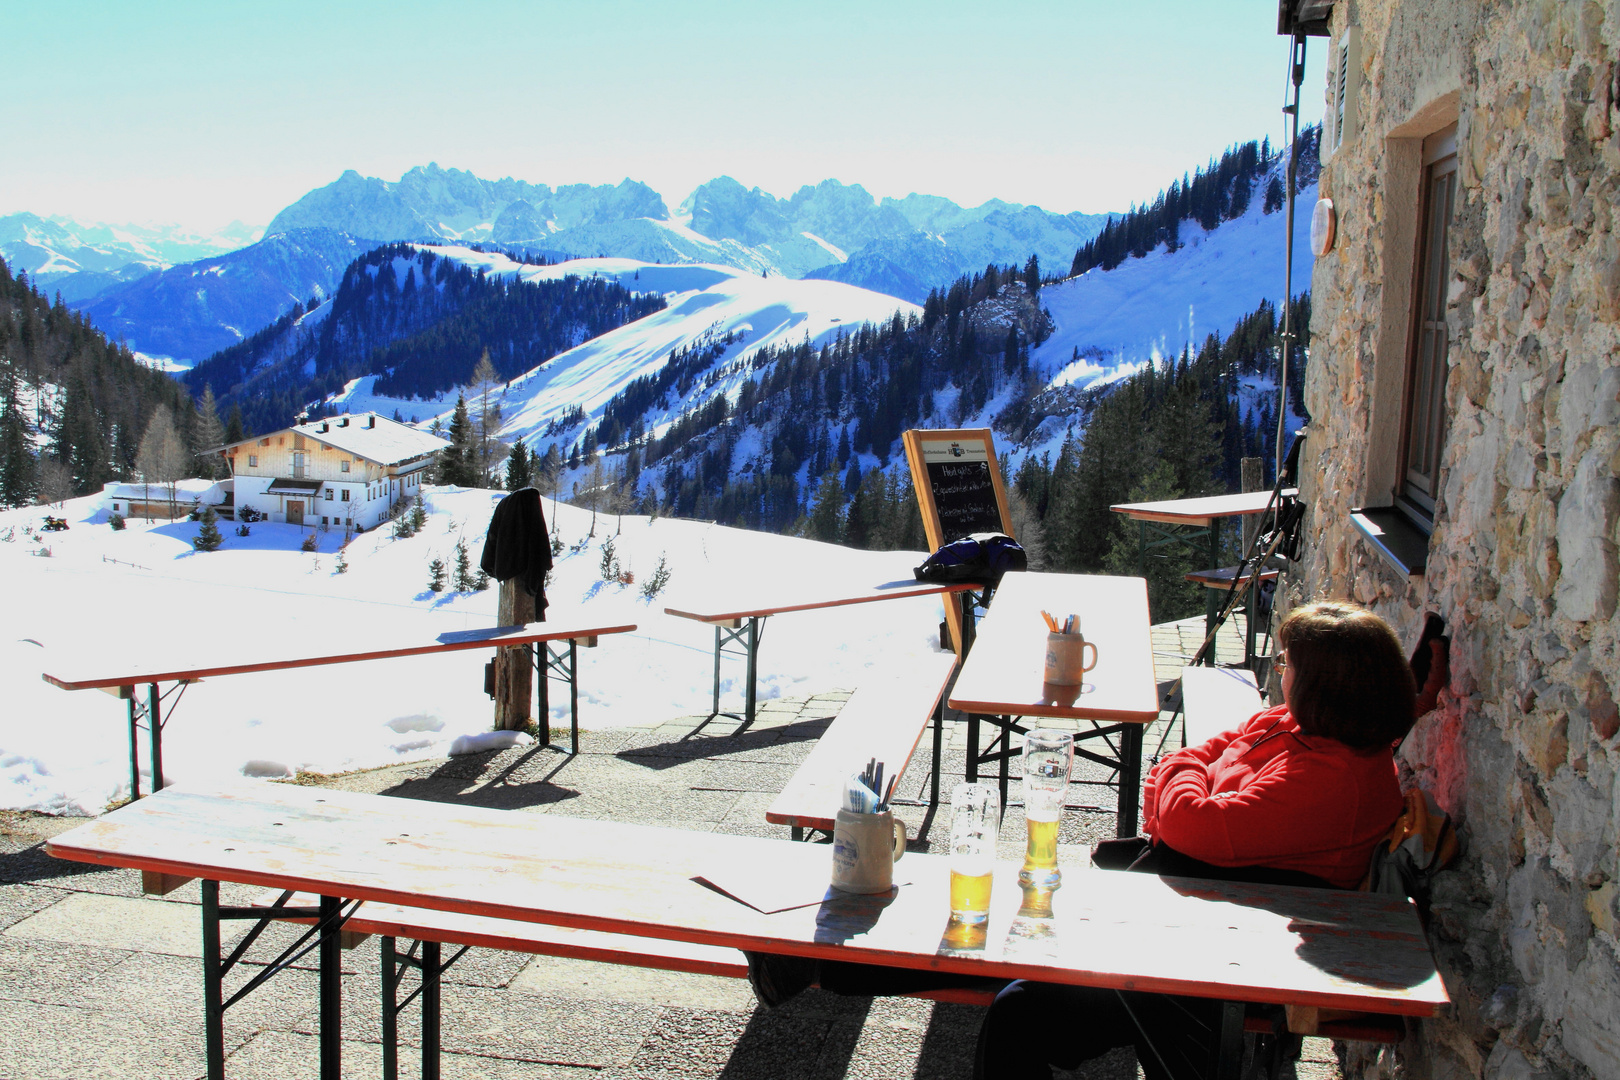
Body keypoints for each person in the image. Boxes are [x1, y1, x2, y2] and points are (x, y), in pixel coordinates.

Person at [972, 599, 1420, 1080]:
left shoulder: (1333, 781)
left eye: (1288, 663)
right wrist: (1183, 786)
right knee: (1015, 976)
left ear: (1326, 688)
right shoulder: (1292, 725)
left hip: (1223, 955)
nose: (1279, 670)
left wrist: (1179, 784)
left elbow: (1189, 819)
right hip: (1192, 921)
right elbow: (1206, 755)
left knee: (1016, 1012)